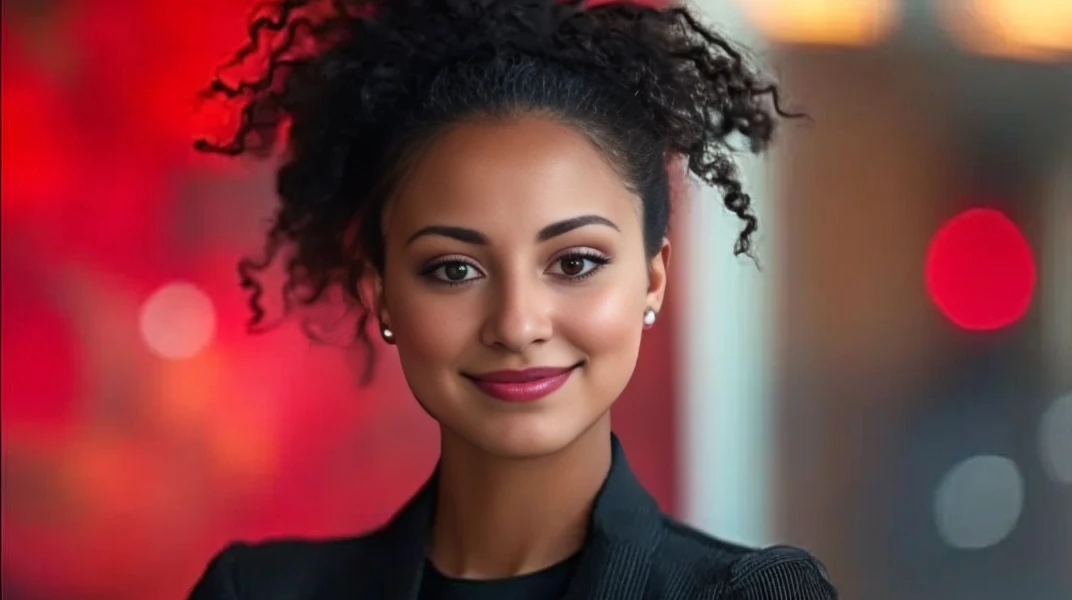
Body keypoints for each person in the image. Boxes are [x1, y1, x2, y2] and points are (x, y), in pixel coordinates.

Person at [188, 0, 837, 598]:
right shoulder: (255, 592)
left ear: (653, 278)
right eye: (453, 270)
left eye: (575, 262)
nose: (518, 323)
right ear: (379, 292)